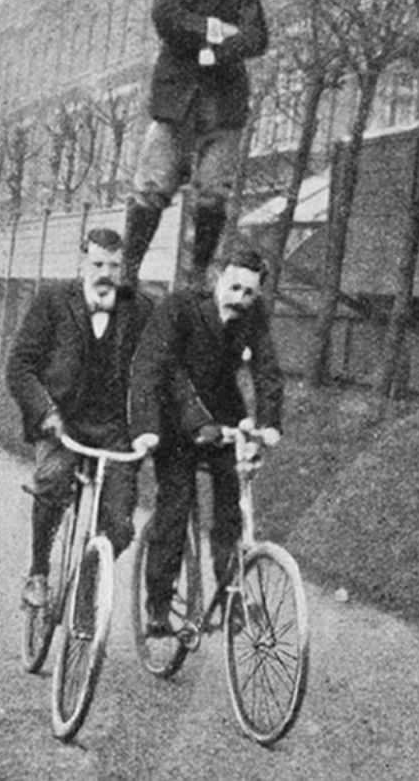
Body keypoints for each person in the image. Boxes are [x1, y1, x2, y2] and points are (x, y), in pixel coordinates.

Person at [129, 245, 283, 635]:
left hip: (223, 414)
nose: (240, 300)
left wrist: (269, 423)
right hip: (175, 417)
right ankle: (159, 606)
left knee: (232, 504)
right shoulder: (180, 307)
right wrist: (197, 424)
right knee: (176, 505)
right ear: (218, 279)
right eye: (234, 288)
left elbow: (267, 369)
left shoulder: (252, 315)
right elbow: (164, 370)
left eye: (249, 293)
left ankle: (231, 596)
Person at [7, 228, 152, 607]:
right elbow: (20, 366)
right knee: (53, 481)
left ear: (124, 270)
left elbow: (155, 374)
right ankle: (38, 572)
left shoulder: (140, 309)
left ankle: (87, 586)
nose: (106, 273)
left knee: (120, 525)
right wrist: (47, 412)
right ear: (82, 263)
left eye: (115, 266)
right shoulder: (53, 300)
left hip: (115, 429)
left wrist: (148, 427)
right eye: (98, 263)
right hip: (63, 423)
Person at [123, 0, 268, 287]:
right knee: (151, 185)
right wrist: (218, 29)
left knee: (213, 193)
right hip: (176, 101)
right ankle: (128, 270)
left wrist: (214, 53)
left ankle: (196, 277)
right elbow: (166, 20)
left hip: (223, 103)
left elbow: (256, 38)